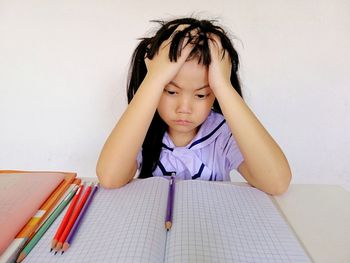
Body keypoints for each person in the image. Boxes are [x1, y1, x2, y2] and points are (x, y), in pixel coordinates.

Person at [96, 17, 291, 195]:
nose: (184, 108)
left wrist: (223, 85)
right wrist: (154, 78)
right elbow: (110, 177)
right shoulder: (141, 129)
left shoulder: (222, 134)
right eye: (171, 91)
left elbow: (277, 183)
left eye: (201, 94)